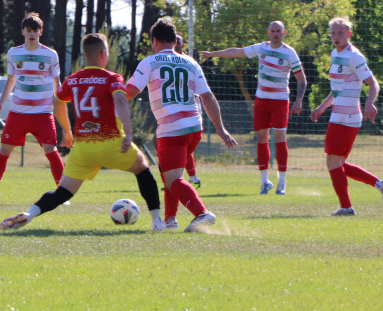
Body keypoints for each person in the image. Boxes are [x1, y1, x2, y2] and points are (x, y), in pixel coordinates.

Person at [0, 33, 166, 231]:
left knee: (63, 191)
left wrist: (67, 131)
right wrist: (128, 134)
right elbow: (120, 100)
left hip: (83, 148)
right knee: (143, 170)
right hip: (111, 142)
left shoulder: (73, 80)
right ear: (104, 54)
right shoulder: (111, 78)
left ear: (85, 55)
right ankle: (157, 222)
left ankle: (30, 213)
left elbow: (57, 101)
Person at [125, 18, 238, 232]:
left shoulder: (149, 62)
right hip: (194, 127)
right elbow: (208, 97)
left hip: (172, 130)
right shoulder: (190, 62)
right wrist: (221, 130)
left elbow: (131, 91)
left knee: (173, 179)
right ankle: (170, 221)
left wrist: (112, 95)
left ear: (154, 41)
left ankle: (202, 213)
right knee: (173, 175)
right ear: (174, 41)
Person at [199, 20, 307, 195]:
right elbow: (236, 51)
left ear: (284, 32)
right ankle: (265, 181)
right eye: (273, 31)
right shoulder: (261, 48)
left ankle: (282, 182)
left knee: (280, 137)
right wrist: (213, 53)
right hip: (262, 100)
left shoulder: (289, 53)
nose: (275, 33)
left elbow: (301, 79)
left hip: (280, 100)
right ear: (268, 32)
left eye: (278, 30)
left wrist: (299, 100)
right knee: (261, 138)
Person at [309, 17, 383, 216]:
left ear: (349, 34)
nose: (336, 37)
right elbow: (337, 89)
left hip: (347, 117)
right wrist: (322, 107)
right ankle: (380, 185)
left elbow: (373, 83)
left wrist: (370, 102)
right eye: (333, 33)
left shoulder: (354, 56)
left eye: (340, 33)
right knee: (335, 163)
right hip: (337, 115)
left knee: (333, 163)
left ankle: (347, 207)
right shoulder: (335, 54)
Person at [0, 12, 73, 203]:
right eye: (28, 30)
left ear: (40, 32)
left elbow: (56, 85)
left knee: (51, 150)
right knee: (4, 151)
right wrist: (1, 102)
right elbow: (11, 80)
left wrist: (60, 103)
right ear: (23, 32)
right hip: (18, 112)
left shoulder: (50, 55)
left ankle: (62, 194)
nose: (31, 33)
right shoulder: (13, 53)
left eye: (35, 30)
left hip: (43, 113)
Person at [174, 34, 202, 188]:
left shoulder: (190, 62)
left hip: (190, 108)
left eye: (179, 41)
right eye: (174, 41)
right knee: (179, 145)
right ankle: (189, 178)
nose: (176, 44)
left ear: (183, 45)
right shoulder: (166, 61)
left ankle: (182, 178)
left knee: (182, 144)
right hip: (173, 110)